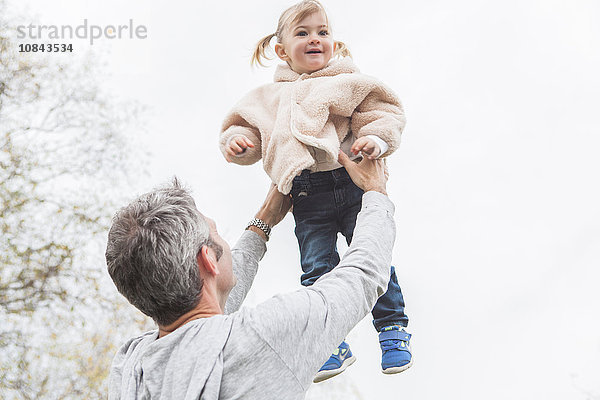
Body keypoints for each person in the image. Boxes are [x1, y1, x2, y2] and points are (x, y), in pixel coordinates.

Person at [219, 0, 411, 381]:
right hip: (306, 193)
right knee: (316, 266)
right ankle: (329, 343)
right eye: (303, 33)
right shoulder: (268, 98)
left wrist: (374, 138)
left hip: (351, 181)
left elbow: (384, 111)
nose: (315, 40)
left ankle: (393, 330)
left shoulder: (347, 82)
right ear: (281, 49)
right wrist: (238, 141)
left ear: (335, 43)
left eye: (323, 32)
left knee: (372, 258)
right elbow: (247, 127)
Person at [105, 152, 398, 399]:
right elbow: (362, 275)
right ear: (208, 259)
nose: (224, 242)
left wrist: (264, 221)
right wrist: (376, 192)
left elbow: (209, 317)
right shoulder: (263, 335)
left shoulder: (130, 367)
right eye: (217, 234)